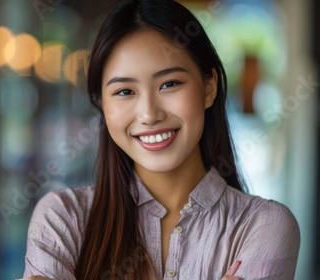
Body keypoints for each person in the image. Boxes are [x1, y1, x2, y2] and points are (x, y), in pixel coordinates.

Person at [21, 0, 300, 279]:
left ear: (209, 87)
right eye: (124, 91)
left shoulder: (264, 226)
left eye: (169, 84)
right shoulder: (62, 218)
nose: (149, 114)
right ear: (101, 104)